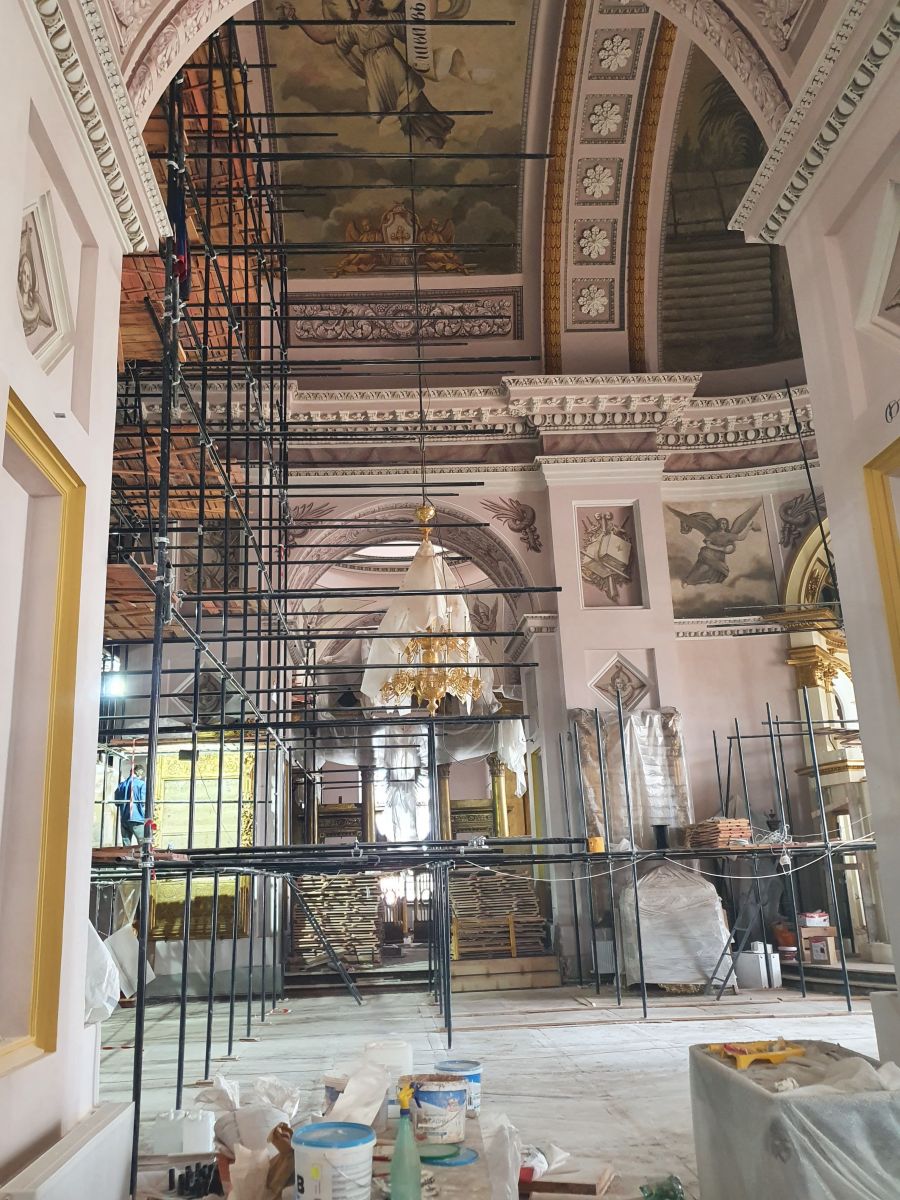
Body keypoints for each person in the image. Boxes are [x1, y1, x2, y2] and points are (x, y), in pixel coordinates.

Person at [115, 767, 146, 845]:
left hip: (124, 819)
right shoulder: (141, 784)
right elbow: (143, 802)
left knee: (126, 846)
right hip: (137, 818)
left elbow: (117, 803)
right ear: (140, 774)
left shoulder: (121, 785)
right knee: (144, 844)